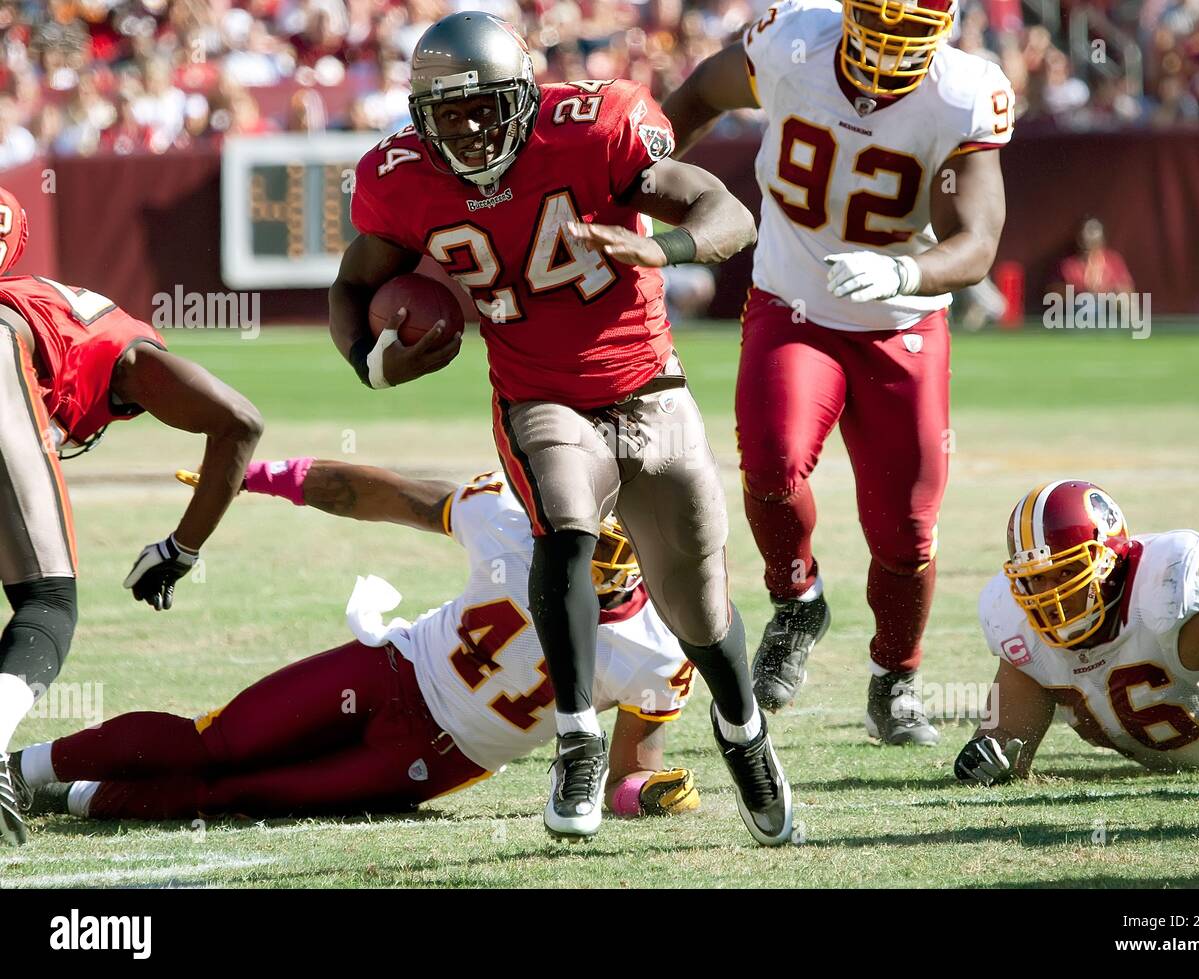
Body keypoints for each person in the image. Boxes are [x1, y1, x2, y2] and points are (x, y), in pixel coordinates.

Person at [327, 11, 791, 845]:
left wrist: (670, 249)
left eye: (485, 108)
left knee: (700, 609)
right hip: (538, 393)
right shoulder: (400, 178)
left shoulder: (596, 127)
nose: (469, 131)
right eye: (450, 114)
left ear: (525, 96)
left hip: (650, 384)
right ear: (420, 117)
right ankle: (577, 736)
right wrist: (371, 361)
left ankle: (742, 728)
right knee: (566, 528)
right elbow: (352, 283)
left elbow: (728, 211)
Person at [661, 0, 1013, 743]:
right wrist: (636, 180)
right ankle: (797, 601)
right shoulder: (794, 41)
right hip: (794, 302)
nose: (885, 53)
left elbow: (977, 241)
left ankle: (896, 678)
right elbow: (695, 97)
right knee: (771, 460)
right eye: (876, 28)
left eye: (905, 36)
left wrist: (905, 274)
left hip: (901, 324)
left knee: (906, 529)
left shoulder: (960, 93)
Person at [8, 462, 704, 826]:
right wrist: (258, 475)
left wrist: (649, 794)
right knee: (215, 742)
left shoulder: (659, 650)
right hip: (386, 669)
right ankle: (18, 770)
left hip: (428, 760)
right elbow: (383, 494)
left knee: (231, 792)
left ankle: (74, 799)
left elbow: (621, 779)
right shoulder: (511, 520)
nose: (598, 556)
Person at [0, 187, 264, 846]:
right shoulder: (121, 347)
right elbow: (239, 421)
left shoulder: (42, 313)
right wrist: (183, 547)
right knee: (47, 601)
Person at [954, 480, 1199, 789]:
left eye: (1067, 572)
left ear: (1109, 562)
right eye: (1036, 577)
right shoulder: (1020, 627)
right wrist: (985, 757)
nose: (1049, 593)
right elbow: (1007, 740)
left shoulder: (1165, 592)